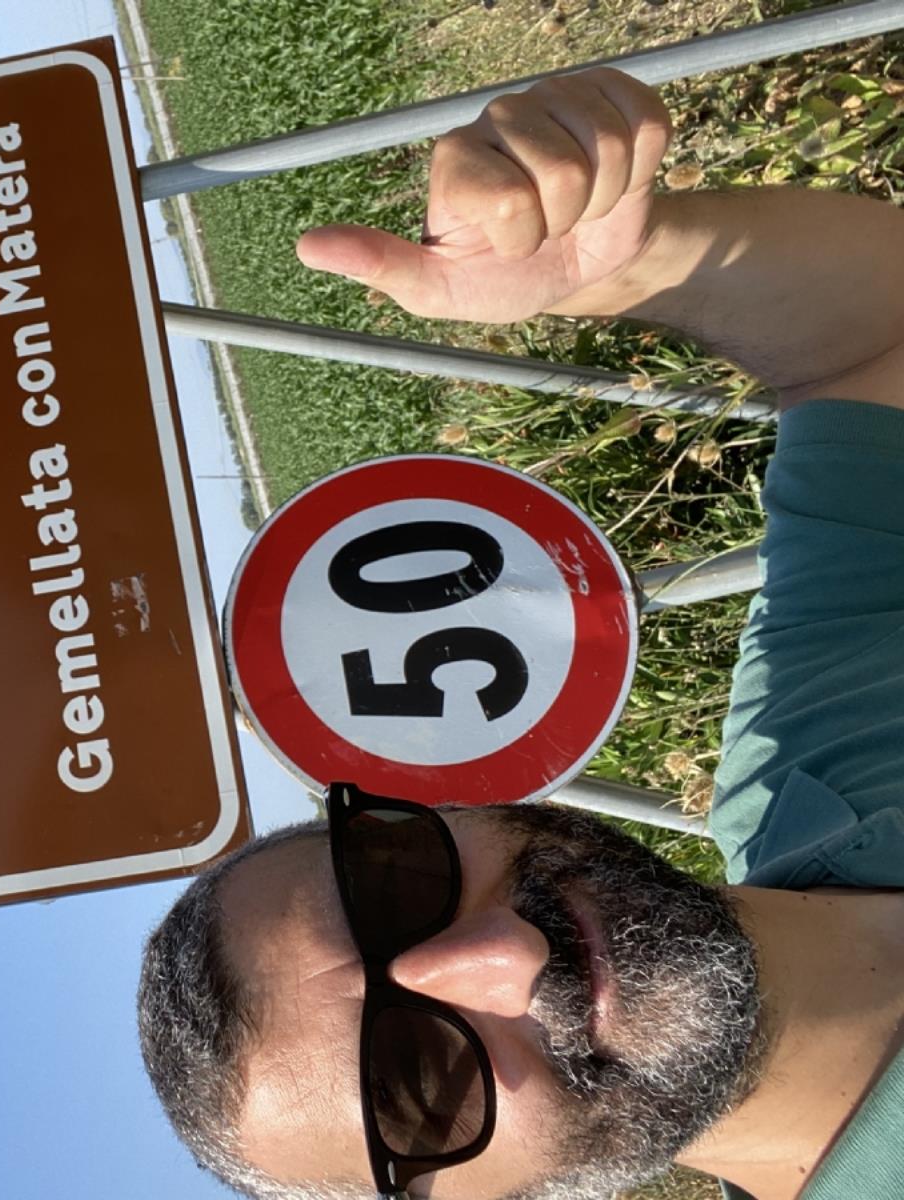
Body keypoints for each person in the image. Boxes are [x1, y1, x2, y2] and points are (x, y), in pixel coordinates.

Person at [136, 64, 904, 1200]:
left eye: (394, 884)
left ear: (456, 805)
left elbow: (870, 347)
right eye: (420, 1080)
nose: (501, 955)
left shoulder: (810, 761)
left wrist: (631, 265)